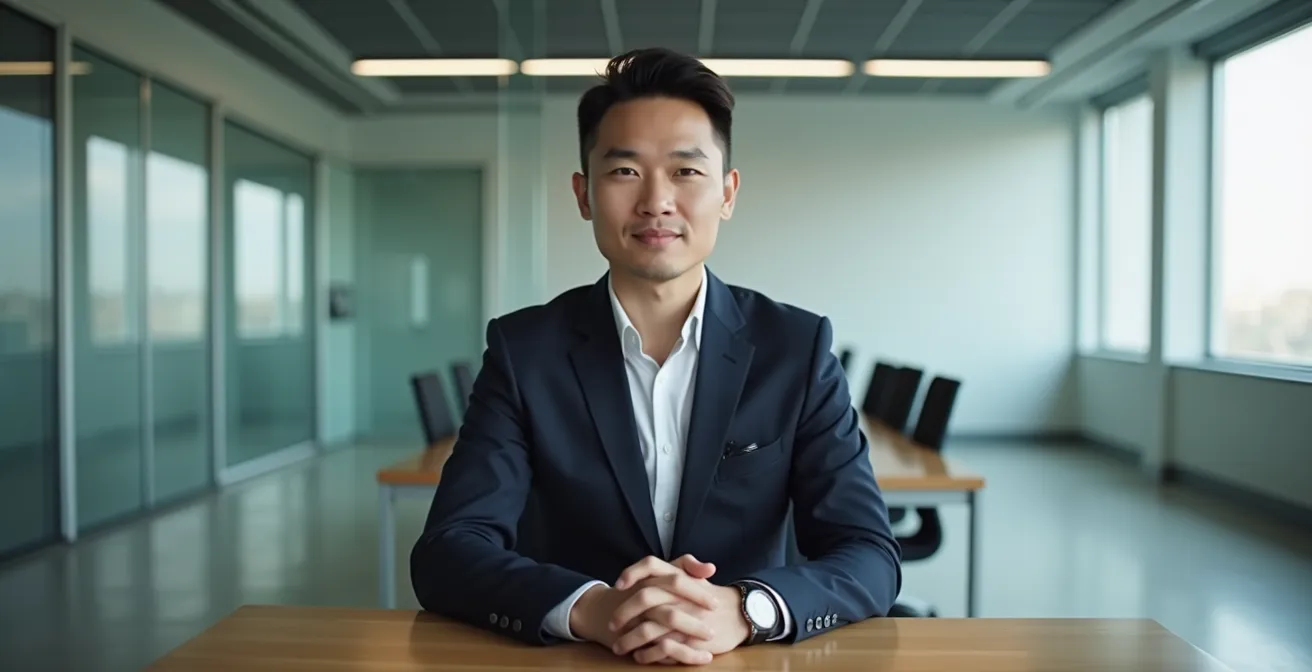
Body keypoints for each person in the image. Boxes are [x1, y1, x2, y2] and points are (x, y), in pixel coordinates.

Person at [410, 46, 902, 666]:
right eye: (625, 172)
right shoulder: (524, 350)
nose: (656, 202)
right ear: (584, 193)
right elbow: (450, 549)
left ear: (727, 192)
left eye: (686, 172)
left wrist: (744, 609)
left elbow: (868, 553)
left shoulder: (794, 349)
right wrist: (592, 608)